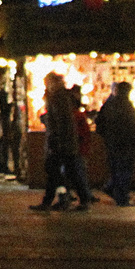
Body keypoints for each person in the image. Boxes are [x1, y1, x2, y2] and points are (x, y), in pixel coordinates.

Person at [30, 72, 93, 212]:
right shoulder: (59, 97)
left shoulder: (58, 98)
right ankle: (67, 199)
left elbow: (61, 122)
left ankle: (73, 199)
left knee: (60, 171)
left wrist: (56, 140)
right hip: (64, 141)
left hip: (62, 142)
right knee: (62, 172)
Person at [95, 80, 135, 207]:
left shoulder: (110, 104)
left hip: (113, 142)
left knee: (117, 169)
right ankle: (121, 196)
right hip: (125, 143)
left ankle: (113, 189)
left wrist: (107, 136)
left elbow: (99, 122)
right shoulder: (125, 105)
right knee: (124, 170)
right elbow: (133, 126)